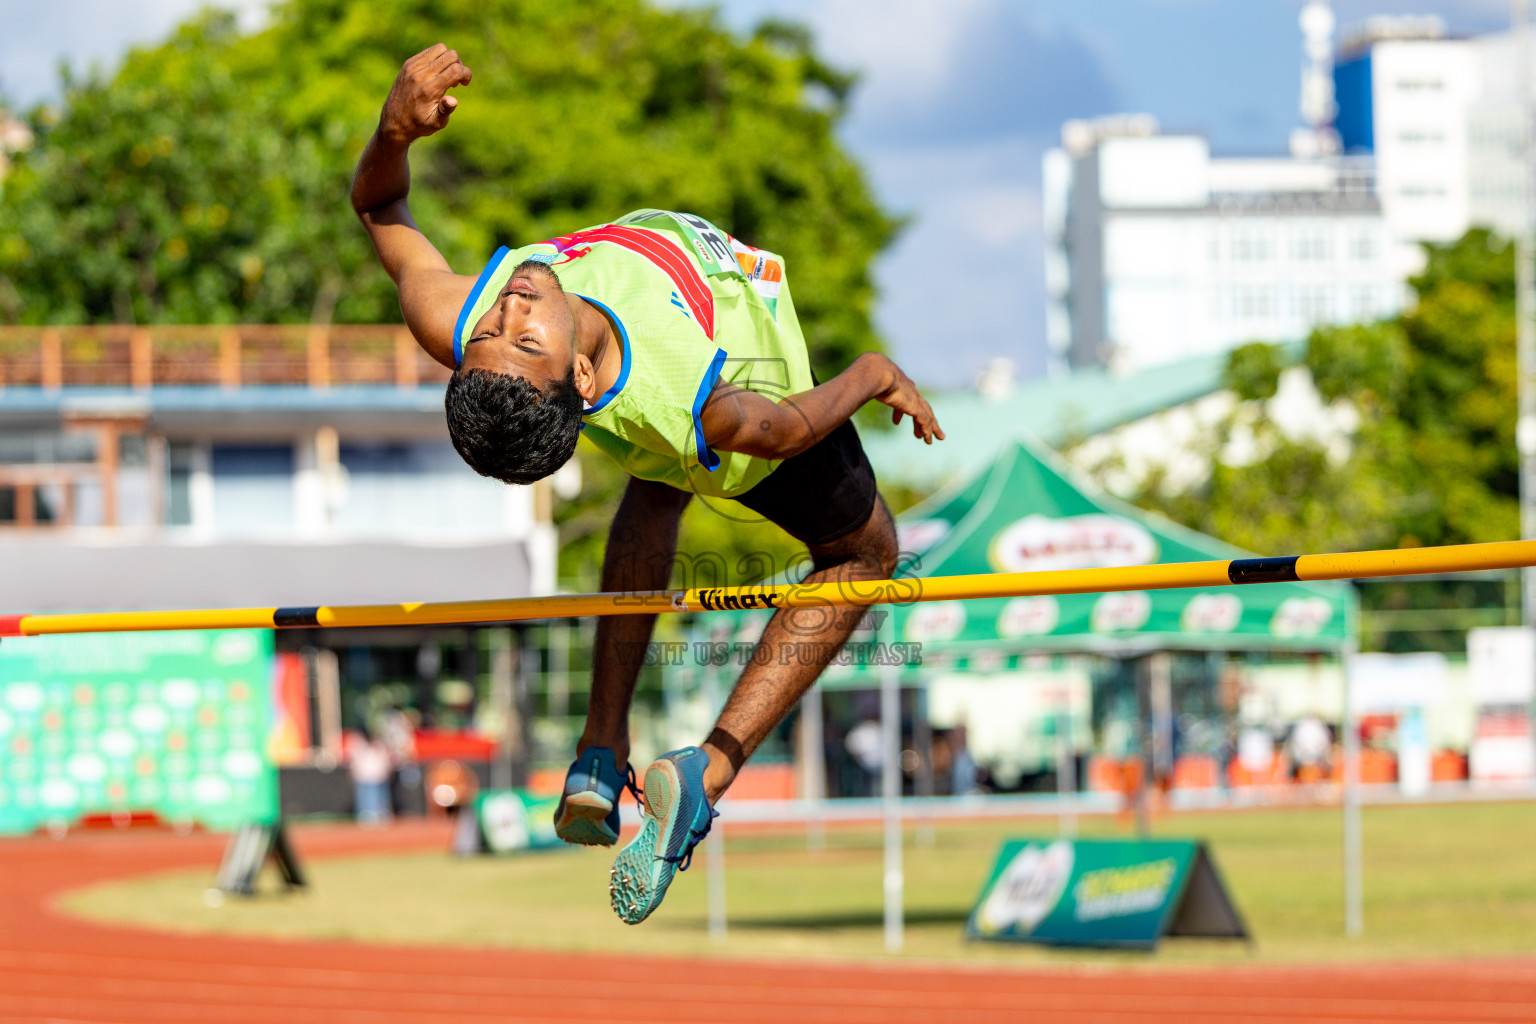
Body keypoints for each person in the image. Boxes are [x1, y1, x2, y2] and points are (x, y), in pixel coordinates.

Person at [350, 45, 943, 925]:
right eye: (525, 340)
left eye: (500, 331)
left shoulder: (463, 320)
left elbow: (379, 203)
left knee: (652, 488)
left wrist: (394, 130)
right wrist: (871, 372)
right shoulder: (706, 408)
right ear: (579, 382)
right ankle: (705, 773)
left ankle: (599, 748)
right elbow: (782, 430)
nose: (510, 312)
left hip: (661, 415)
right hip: (746, 380)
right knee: (866, 554)